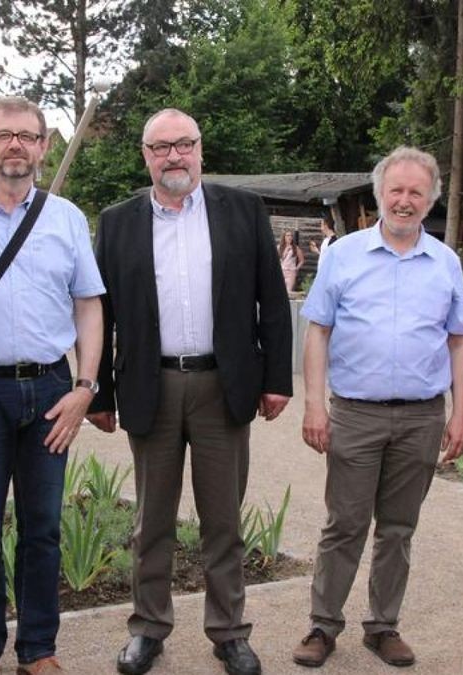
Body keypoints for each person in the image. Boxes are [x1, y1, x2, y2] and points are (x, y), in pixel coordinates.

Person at [87, 108, 293, 675]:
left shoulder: (243, 211)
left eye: (184, 144)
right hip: (149, 385)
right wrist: (100, 392)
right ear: (145, 155)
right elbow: (99, 314)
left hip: (222, 386)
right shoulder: (119, 220)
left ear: (201, 149)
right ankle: (148, 629)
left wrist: (276, 380)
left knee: (222, 519)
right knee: (151, 520)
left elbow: (271, 303)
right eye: (161, 147)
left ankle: (229, 632)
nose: (174, 156)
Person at [0, 96, 104, 675]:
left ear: (43, 146)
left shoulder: (67, 218)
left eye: (27, 136)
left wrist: (85, 385)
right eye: (4, 135)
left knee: (44, 527)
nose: (16, 146)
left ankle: (38, 649)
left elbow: (88, 304)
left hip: (52, 390)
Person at [292, 147, 463, 669]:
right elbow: (317, 330)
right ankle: (323, 626)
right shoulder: (343, 255)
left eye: (417, 192)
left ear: (431, 199)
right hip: (355, 412)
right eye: (396, 190)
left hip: (421, 416)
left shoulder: (445, 263)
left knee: (398, 529)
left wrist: (460, 414)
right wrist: (313, 405)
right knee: (344, 524)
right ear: (380, 195)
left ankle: (383, 625)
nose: (405, 200)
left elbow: (460, 341)